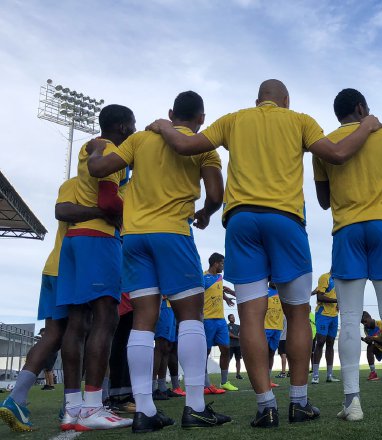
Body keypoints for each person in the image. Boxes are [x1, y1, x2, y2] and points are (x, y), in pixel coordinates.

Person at [148, 79, 382, 427]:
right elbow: (337, 153)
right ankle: (300, 402)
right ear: (286, 101)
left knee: (252, 317)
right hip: (285, 220)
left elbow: (184, 145)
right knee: (299, 314)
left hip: (242, 222)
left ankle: (265, 406)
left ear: (256, 101)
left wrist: (165, 125)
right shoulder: (299, 120)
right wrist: (367, 125)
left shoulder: (235, 119)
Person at [86, 92, 230, 432]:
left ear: (170, 112)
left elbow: (99, 169)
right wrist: (206, 214)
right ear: (201, 118)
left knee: (143, 322)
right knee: (190, 318)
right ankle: (194, 406)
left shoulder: (139, 139)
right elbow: (215, 195)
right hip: (173, 235)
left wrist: (94, 150)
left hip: (134, 238)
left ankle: (144, 411)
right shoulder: (203, 145)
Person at [313, 88, 382, 421]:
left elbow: (323, 200)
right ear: (361, 107)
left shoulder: (325, 144)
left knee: (348, 318)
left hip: (346, 230)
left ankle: (352, 404)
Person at [0, 178, 114, 432]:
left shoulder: (78, 185)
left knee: (54, 335)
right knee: (82, 330)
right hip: (73, 266)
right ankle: (72, 406)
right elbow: (62, 211)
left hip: (54, 266)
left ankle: (17, 397)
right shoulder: (92, 187)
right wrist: (103, 212)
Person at [57, 104, 134, 431]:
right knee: (105, 319)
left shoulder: (91, 145)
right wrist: (132, 211)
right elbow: (107, 201)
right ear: (120, 126)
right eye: (132, 123)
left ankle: (72, 408)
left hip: (74, 240)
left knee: (78, 322)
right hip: (99, 239)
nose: (134, 128)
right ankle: (92, 405)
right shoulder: (111, 150)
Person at [202, 253, 237, 393]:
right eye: (222, 263)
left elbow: (218, 289)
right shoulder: (203, 277)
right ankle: (205, 383)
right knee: (206, 351)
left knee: (226, 349)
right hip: (207, 320)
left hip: (220, 320)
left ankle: (224, 382)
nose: (223, 266)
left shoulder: (219, 278)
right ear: (215, 263)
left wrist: (226, 298)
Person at [311, 272, 339, 384]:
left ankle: (329, 375)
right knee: (320, 342)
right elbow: (320, 296)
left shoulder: (340, 279)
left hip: (334, 315)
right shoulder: (325, 277)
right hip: (323, 314)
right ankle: (315, 375)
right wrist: (337, 301)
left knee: (331, 343)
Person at [152, 298, 177, 401]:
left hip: (172, 306)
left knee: (167, 348)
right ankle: (152, 388)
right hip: (163, 304)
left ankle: (162, 387)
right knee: (160, 345)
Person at [361, 312, 382, 383]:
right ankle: (373, 373)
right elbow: (371, 341)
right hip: (379, 349)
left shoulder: (381, 323)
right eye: (362, 323)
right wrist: (366, 340)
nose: (364, 324)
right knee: (369, 346)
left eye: (365, 321)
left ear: (370, 317)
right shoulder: (366, 328)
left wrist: (372, 338)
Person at [265, 284, 285, 388]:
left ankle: (268, 380)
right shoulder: (264, 291)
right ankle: (260, 380)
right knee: (262, 354)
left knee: (271, 353)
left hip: (278, 328)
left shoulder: (282, 292)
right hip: (265, 327)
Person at [227, 314, 243, 380]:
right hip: (230, 346)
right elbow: (229, 334)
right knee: (228, 360)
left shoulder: (238, 326)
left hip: (238, 346)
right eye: (231, 318)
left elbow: (242, 332)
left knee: (238, 360)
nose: (233, 319)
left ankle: (238, 374)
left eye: (233, 317)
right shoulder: (227, 326)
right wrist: (238, 337)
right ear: (229, 319)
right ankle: (225, 374)